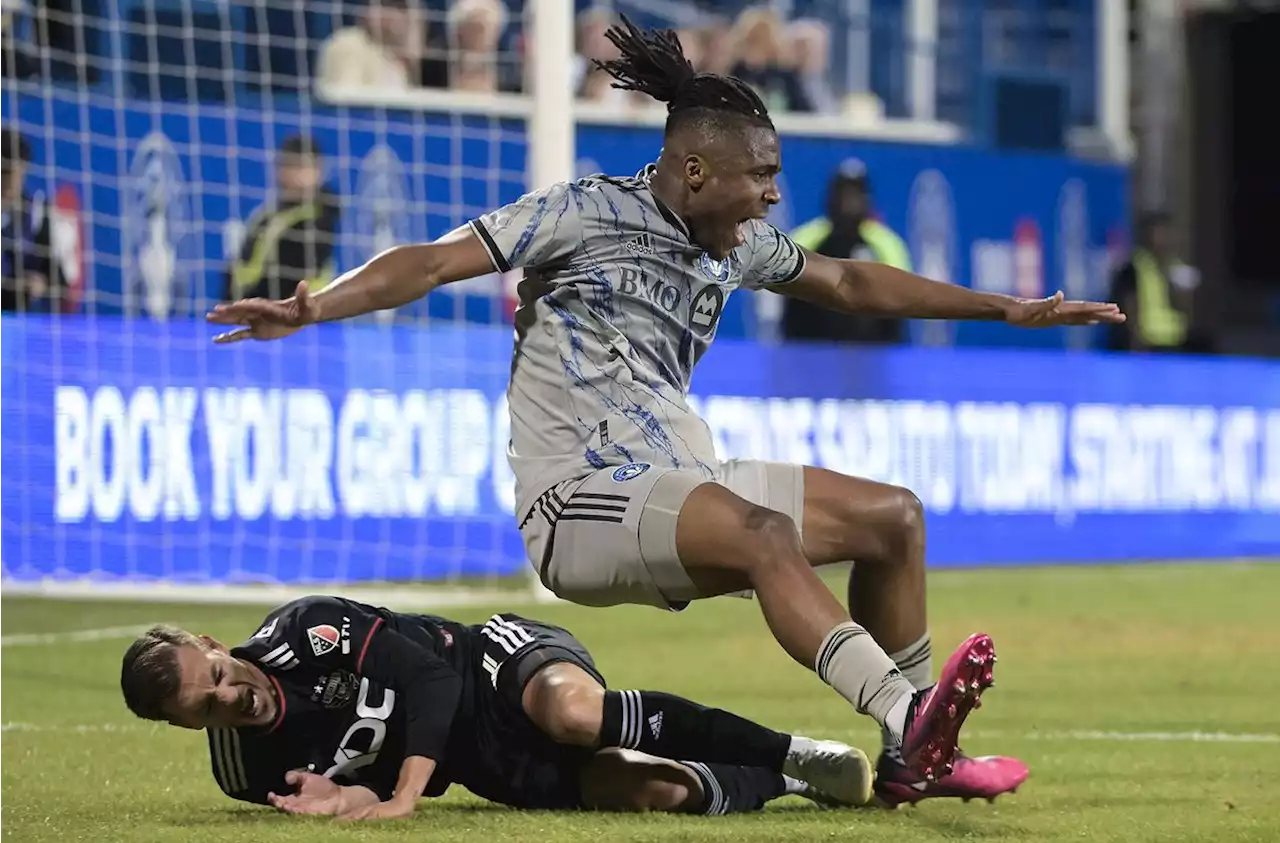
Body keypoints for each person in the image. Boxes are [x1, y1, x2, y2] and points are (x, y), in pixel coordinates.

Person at [206, 19, 1121, 805]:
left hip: (681, 479)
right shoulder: (578, 213)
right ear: (693, 168)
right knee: (766, 533)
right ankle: (907, 711)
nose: (772, 195)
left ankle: (913, 760)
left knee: (894, 518)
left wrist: (1010, 308)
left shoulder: (738, 243)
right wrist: (315, 306)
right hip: (580, 496)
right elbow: (435, 261)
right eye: (760, 175)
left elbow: (844, 278)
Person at [120, 595, 875, 820]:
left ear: (215, 643)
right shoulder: (243, 772)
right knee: (652, 789)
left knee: (575, 714)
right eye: (206, 707)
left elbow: (431, 685)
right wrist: (355, 793)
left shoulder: (304, 629)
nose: (231, 695)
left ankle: (790, 747)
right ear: (184, 727)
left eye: (217, 672)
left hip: (487, 663)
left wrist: (404, 796)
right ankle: (793, 784)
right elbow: (361, 778)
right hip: (474, 758)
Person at [786, 158, 912, 345]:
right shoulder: (805, 239)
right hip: (813, 351)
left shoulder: (887, 244)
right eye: (844, 195)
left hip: (872, 353)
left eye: (856, 195)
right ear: (831, 198)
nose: (849, 203)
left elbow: (901, 301)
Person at [224, 134, 340, 303]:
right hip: (249, 307)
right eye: (286, 165)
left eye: (300, 166)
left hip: (293, 315)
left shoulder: (317, 219)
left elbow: (296, 276)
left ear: (318, 171)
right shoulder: (267, 214)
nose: (291, 173)